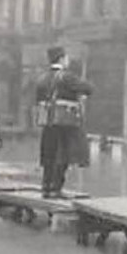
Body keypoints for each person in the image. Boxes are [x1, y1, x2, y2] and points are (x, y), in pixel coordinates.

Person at [34, 45, 94, 197]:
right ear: (61, 58)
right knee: (63, 154)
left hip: (47, 121)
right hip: (64, 122)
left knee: (48, 154)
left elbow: (37, 99)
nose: (68, 60)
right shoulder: (66, 77)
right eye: (66, 57)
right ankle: (56, 188)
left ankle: (46, 187)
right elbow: (88, 88)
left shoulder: (42, 78)